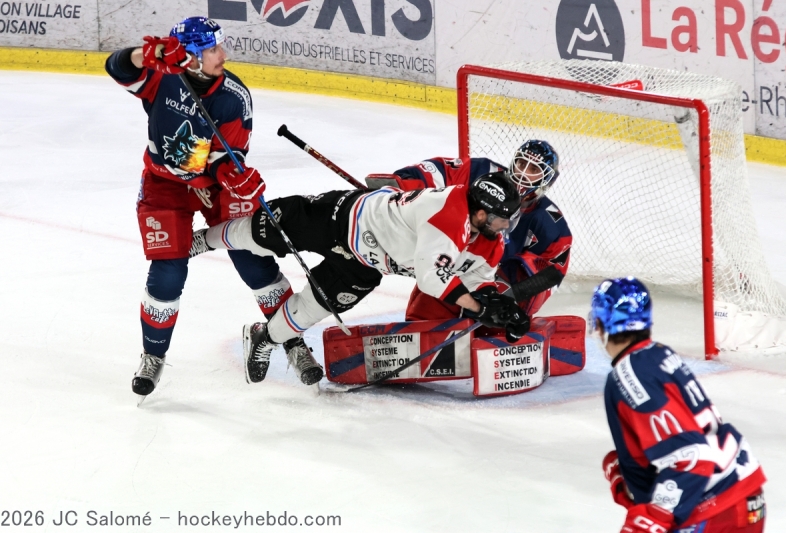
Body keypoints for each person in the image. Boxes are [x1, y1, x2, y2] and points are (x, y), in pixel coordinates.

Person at [191, 173, 532, 385]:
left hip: (365, 266)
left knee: (308, 312)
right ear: (482, 212)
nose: (507, 227)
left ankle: (263, 339)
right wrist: (479, 309)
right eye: (504, 219)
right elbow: (432, 280)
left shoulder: (488, 240)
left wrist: (501, 306)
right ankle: (203, 239)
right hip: (343, 217)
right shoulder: (449, 213)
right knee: (262, 231)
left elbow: (479, 281)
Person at [105, 17, 293, 397]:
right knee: (167, 271)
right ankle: (153, 355)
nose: (222, 55)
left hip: (211, 186)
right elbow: (117, 67)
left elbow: (227, 157)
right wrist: (152, 53)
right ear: (189, 56)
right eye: (211, 49)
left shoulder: (234, 97)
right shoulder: (162, 77)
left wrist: (233, 177)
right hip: (165, 183)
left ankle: (292, 340)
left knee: (253, 255)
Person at [589, 277, 767, 533]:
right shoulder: (658, 355)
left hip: (715, 510)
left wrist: (652, 519)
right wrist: (630, 473)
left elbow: (690, 457)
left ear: (601, 323)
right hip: (740, 495)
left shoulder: (630, 374)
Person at [367, 141, 571, 323]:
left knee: (501, 308)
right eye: (521, 163)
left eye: (534, 168)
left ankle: (496, 327)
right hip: (453, 256)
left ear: (548, 179)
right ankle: (427, 326)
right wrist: (400, 187)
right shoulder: (481, 171)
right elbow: (436, 172)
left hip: (492, 272)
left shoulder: (549, 220)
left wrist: (512, 296)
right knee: (436, 292)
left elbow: (553, 271)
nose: (523, 172)